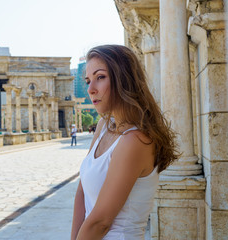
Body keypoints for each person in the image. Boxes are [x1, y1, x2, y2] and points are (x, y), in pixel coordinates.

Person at [71, 45, 179, 240]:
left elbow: (101, 221)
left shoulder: (135, 140)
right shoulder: (104, 125)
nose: (91, 89)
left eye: (100, 77)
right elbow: (81, 192)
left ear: (123, 79)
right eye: (88, 80)